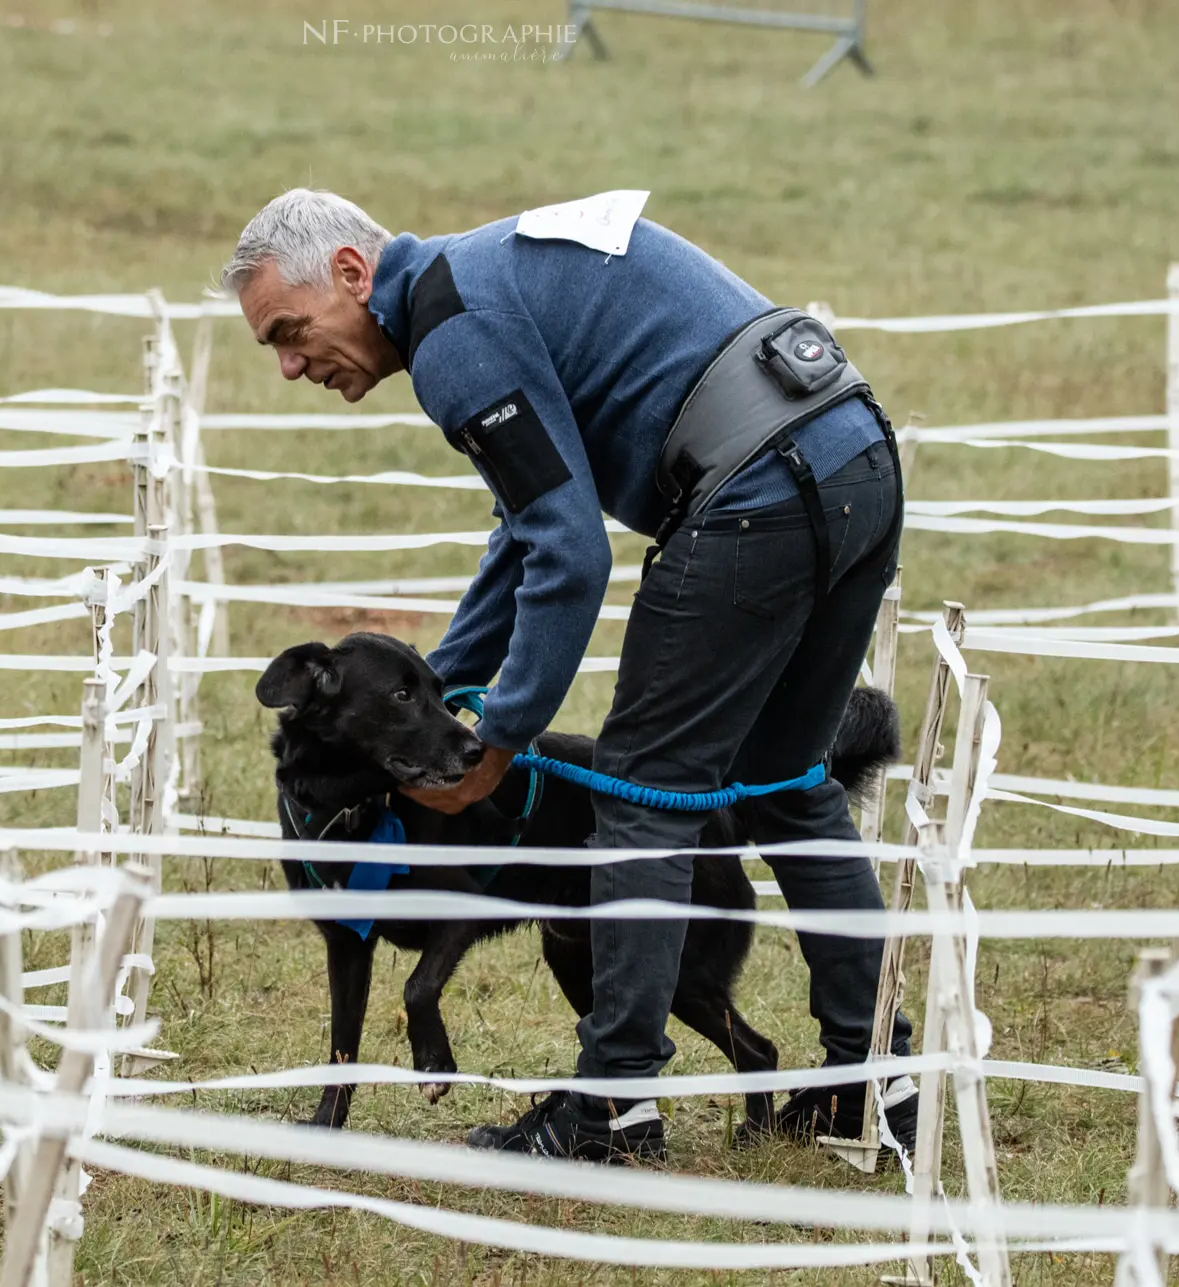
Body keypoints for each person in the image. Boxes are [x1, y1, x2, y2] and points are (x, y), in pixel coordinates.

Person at [219, 188, 915, 1164]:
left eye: (289, 333)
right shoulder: (478, 283)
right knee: (789, 784)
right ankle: (871, 1090)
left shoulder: (455, 334)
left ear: (349, 274)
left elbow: (569, 554)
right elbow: (528, 527)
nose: (291, 364)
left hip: (755, 489)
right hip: (853, 454)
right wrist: (438, 684)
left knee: (641, 794)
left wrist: (497, 740)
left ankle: (608, 1110)